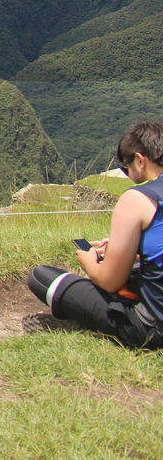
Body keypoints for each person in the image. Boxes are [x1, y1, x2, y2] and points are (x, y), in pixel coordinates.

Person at [26, 121, 163, 347]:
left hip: (153, 331)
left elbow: (109, 281)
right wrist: (135, 249)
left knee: (42, 278)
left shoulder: (138, 198)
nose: (127, 173)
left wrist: (89, 262)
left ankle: (83, 324)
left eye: (125, 167)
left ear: (140, 160)